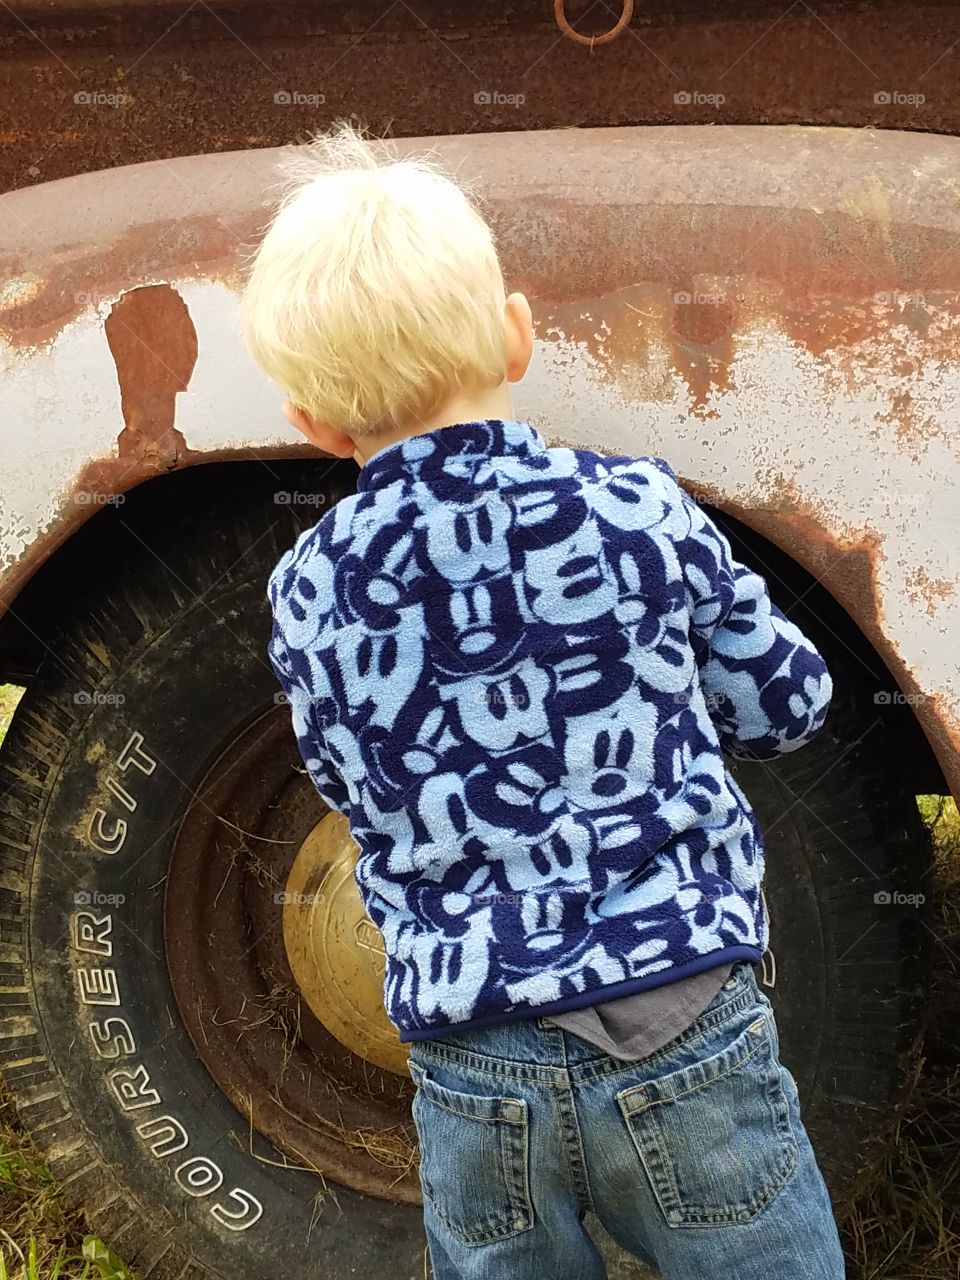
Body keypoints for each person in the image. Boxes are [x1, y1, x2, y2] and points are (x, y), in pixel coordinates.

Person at [242, 122, 845, 1280]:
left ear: (311, 422)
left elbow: (349, 780)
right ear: (518, 334)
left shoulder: (311, 586)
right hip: (683, 1019)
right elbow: (785, 700)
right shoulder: (637, 508)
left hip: (471, 1056)